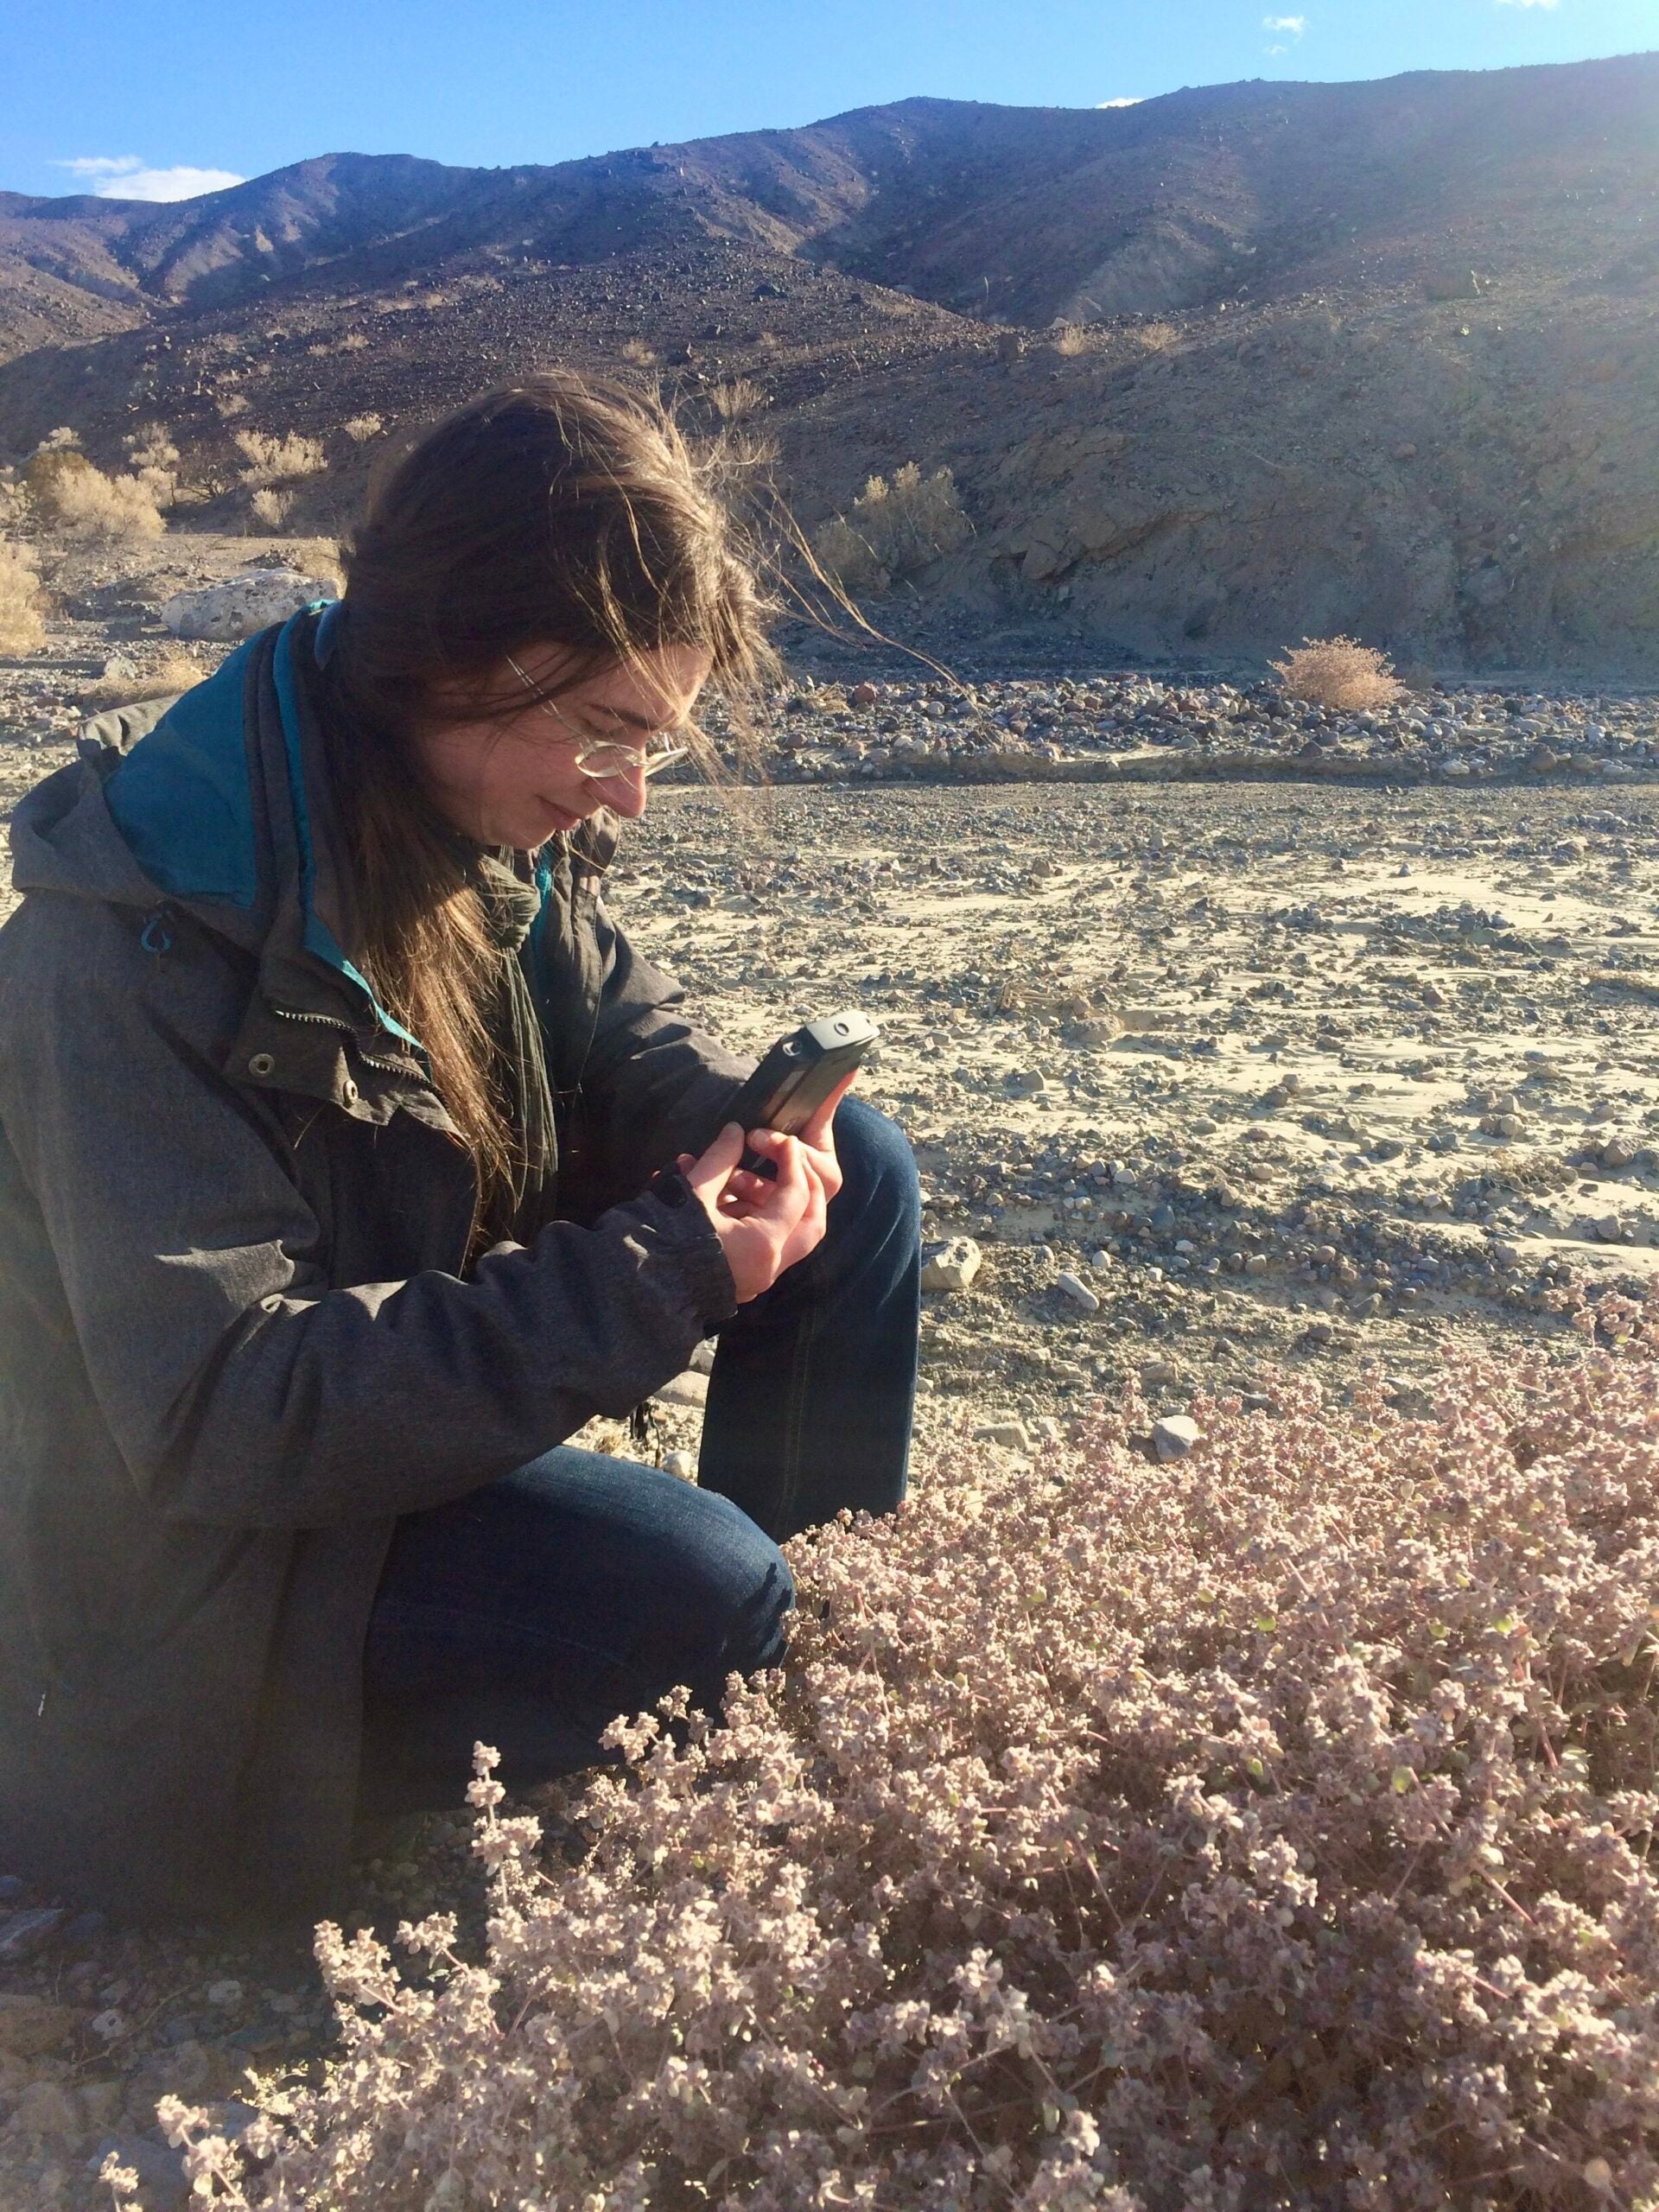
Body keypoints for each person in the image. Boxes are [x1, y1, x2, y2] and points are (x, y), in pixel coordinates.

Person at [0, 372, 921, 1923]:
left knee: (855, 1176)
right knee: (694, 1587)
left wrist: (726, 1139)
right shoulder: (122, 954)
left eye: (662, 741)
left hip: (357, 1466)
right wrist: (658, 1265)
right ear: (452, 660)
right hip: (182, 1614)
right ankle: (712, 1673)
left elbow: (610, 1048)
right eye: (608, 729)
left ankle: (776, 1698)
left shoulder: (461, 819)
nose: (628, 789)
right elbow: (238, 1412)